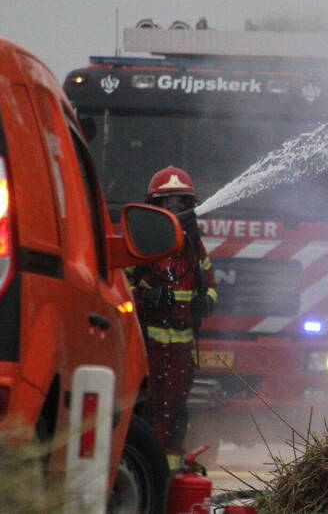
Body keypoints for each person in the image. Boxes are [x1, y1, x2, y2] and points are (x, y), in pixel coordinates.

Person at [127, 165, 217, 470]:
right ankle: (145, 470)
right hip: (145, 350)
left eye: (182, 203)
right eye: (169, 203)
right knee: (146, 410)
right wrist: (146, 297)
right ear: (155, 207)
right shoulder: (140, 243)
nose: (176, 209)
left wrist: (206, 302)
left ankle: (171, 475)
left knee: (176, 412)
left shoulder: (194, 248)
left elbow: (210, 284)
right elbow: (117, 288)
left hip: (181, 351)